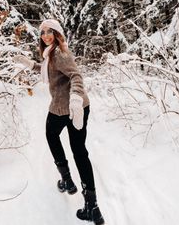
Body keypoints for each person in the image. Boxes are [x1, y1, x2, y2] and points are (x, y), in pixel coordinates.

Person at [13, 19, 105, 225]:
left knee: (53, 136)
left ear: (57, 34)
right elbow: (50, 71)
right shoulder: (51, 54)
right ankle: (93, 207)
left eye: (50, 32)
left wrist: (75, 100)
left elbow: (76, 76)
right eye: (42, 32)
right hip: (77, 106)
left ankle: (67, 180)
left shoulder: (59, 53)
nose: (45, 35)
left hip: (70, 107)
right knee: (79, 151)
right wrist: (31, 65)